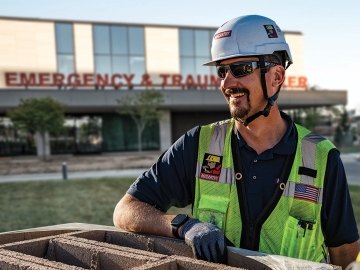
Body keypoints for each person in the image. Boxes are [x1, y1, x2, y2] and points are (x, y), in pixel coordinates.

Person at [113, 15, 359, 268]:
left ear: (276, 77)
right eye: (222, 71)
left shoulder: (322, 158)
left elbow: (345, 254)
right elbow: (126, 210)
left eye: (241, 69)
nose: (227, 83)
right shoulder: (198, 145)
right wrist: (183, 225)